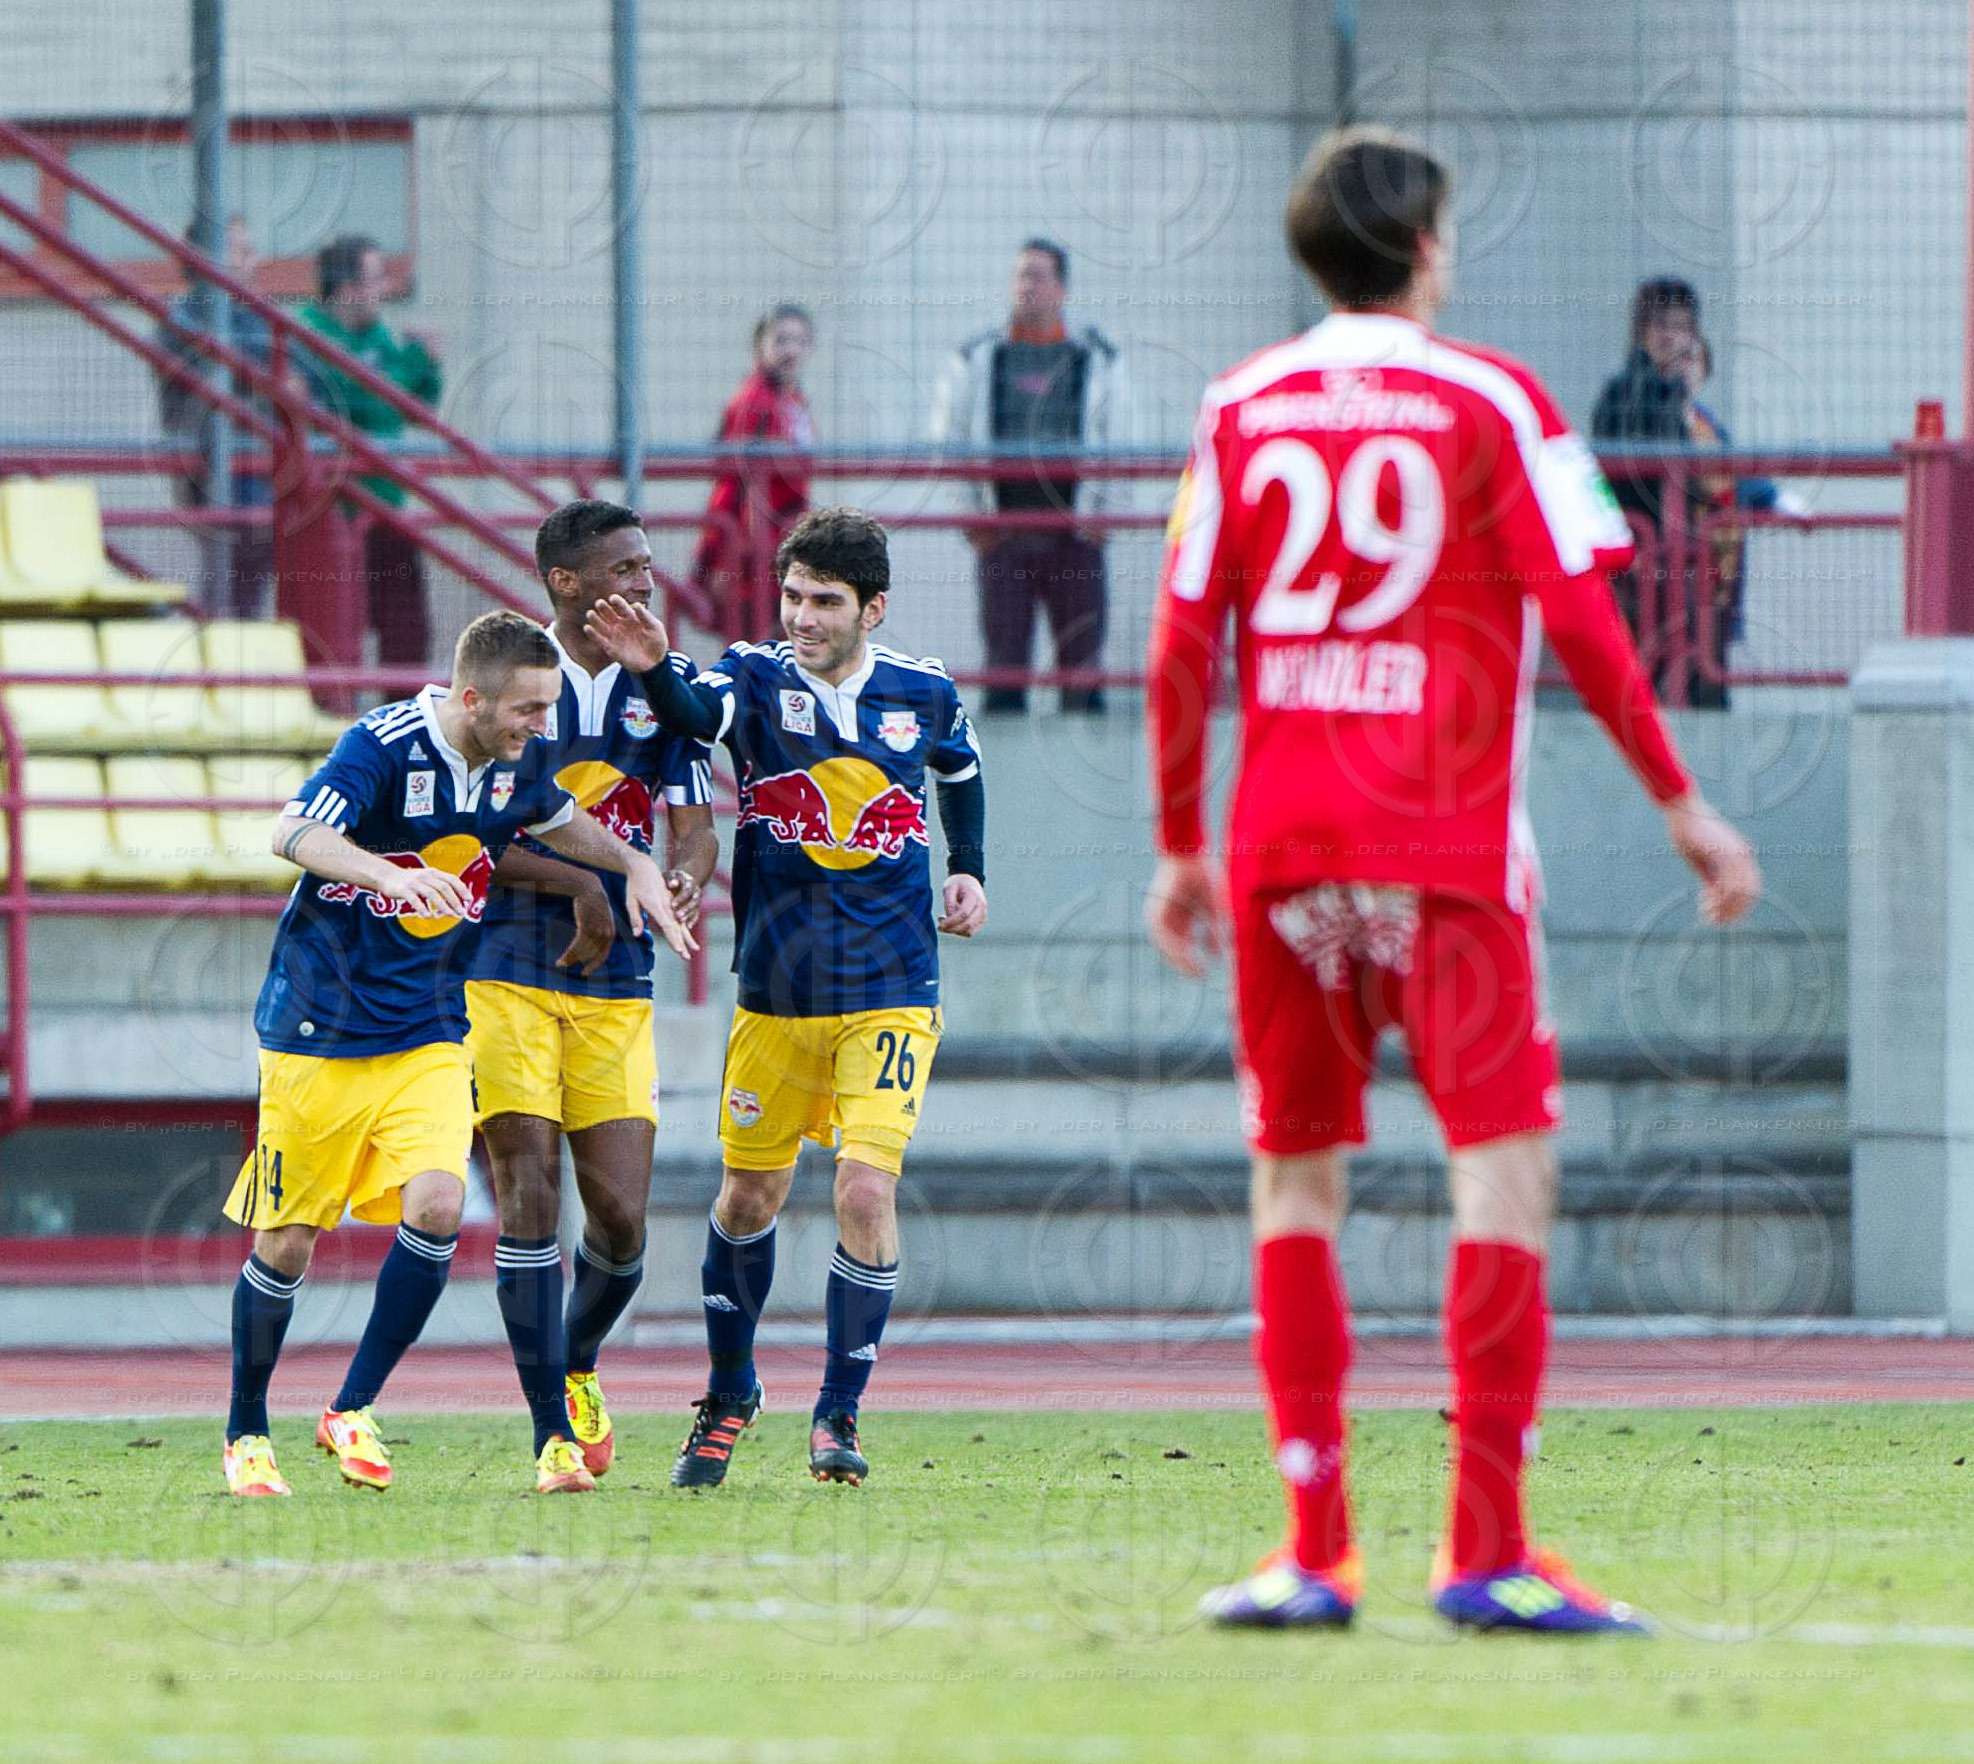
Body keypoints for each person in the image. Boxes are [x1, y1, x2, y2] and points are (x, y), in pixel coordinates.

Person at [1145, 129, 1762, 1633]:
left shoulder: (1238, 406)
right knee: (1504, 1166)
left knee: (1293, 1174)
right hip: (1448, 845)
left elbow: (1177, 642)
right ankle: (1481, 1549)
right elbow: (1586, 618)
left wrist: (1177, 844)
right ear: (1425, 249)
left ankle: (1313, 1548)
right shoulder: (1495, 399)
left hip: (1281, 844)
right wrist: (1681, 805)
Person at [218, 610, 693, 1501]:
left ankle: (350, 1408)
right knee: (287, 1242)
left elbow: (561, 820)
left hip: (430, 1025)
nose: (540, 728)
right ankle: (246, 1429)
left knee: (438, 1205)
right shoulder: (385, 743)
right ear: (471, 698)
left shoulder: (516, 758)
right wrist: (387, 874)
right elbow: (292, 833)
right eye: (526, 711)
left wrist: (628, 866)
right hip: (319, 1026)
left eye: (549, 709)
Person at [580, 506, 987, 1489]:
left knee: (862, 1188)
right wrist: (647, 664)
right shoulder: (755, 679)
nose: (801, 615)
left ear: (872, 608)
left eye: (824, 601)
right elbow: (689, 711)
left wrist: (969, 867)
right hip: (777, 991)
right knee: (747, 1197)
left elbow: (961, 769)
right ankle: (729, 1393)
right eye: (792, 595)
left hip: (893, 986)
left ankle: (839, 1414)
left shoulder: (922, 693)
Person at [466, 501, 720, 1486]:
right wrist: (583, 885)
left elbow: (694, 820)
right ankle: (550, 1434)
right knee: (532, 1197)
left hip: (618, 983)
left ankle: (572, 1361)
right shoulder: (512, 685)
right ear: (566, 583)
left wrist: (688, 869)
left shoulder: (665, 686)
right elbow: (471, 826)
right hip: (504, 969)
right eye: (625, 567)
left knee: (617, 1223)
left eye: (650, 565)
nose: (646, 584)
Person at [930, 238, 1126, 715]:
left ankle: (1086, 776)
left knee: (1081, 670)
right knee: (1004, 668)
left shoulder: (1096, 358)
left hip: (1075, 538)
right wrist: (969, 517)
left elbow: (1120, 436)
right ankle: (1000, 784)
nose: (1026, 286)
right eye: (1020, 275)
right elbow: (948, 440)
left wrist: (1107, 516)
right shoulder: (977, 357)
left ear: (1062, 288)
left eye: (1038, 275)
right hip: (1003, 537)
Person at [299, 234, 444, 667]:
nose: (385, 289)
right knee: (336, 628)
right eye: (377, 278)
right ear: (347, 290)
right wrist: (412, 364)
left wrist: (428, 363)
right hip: (335, 510)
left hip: (385, 506)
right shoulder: (309, 334)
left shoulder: (377, 337)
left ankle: (399, 723)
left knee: (407, 626)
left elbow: (415, 405)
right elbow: (361, 397)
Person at [1590, 276, 1715, 702]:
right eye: (1662, 326)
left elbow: (1716, 477)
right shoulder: (1623, 393)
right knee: (1645, 672)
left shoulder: (1692, 407)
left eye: (1684, 327)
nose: (1673, 338)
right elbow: (1649, 463)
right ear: (1642, 332)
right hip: (1640, 557)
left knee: (1689, 662)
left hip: (1681, 562)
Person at [155, 215, 278, 618]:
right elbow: (232, 370)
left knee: (248, 584)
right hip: (215, 466)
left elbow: (297, 370)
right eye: (240, 251)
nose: (253, 261)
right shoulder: (184, 316)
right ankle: (223, 666)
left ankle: (234, 665)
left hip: (259, 466)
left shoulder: (254, 313)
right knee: (229, 578)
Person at [691, 304, 816, 639]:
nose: (791, 350)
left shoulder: (792, 400)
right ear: (760, 345)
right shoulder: (754, 402)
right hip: (755, 554)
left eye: (800, 341)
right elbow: (731, 485)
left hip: (785, 545)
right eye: (781, 340)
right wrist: (715, 558)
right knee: (758, 649)